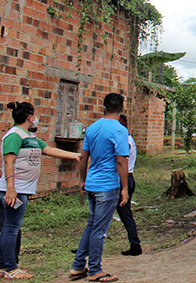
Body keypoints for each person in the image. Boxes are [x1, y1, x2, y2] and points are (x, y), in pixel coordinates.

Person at [0, 101, 79, 280]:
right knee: (11, 228)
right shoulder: (14, 136)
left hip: (21, 189)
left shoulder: (30, 137)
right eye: (34, 114)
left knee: (11, 227)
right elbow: (9, 162)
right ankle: (11, 268)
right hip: (14, 190)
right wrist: (11, 190)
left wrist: (75, 155)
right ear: (29, 116)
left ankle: (7, 264)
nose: (36, 118)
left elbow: (49, 149)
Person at [69, 93, 130, 282]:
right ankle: (95, 269)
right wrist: (125, 187)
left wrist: (82, 180)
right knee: (99, 229)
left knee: (92, 224)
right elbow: (121, 160)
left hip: (92, 184)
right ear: (122, 108)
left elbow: (83, 157)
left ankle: (78, 266)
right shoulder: (119, 130)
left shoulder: (92, 128)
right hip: (107, 185)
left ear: (104, 107)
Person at [116, 115, 141, 256]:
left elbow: (121, 161)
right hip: (126, 178)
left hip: (123, 179)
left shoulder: (124, 140)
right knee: (124, 213)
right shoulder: (127, 138)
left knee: (124, 213)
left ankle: (135, 244)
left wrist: (124, 187)